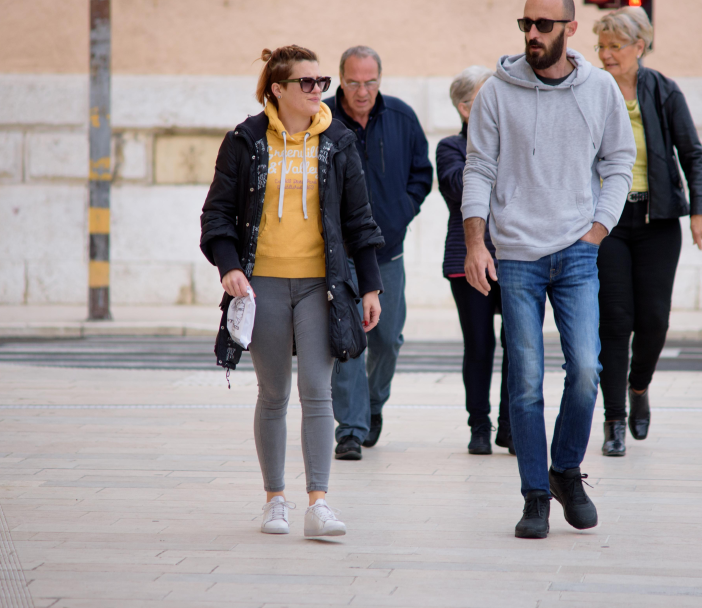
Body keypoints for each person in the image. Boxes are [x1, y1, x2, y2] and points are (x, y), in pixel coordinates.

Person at [463, 0, 636, 539]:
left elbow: (619, 160)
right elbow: (478, 168)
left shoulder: (600, 88)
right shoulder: (496, 93)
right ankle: (535, 493)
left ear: (570, 28)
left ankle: (565, 469)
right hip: (516, 254)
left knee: (586, 370)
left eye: (543, 25)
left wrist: (598, 228)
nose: (532, 34)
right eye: (526, 24)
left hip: (578, 252)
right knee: (526, 381)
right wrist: (476, 243)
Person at [199, 45, 385, 537]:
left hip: (322, 286)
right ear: (277, 89)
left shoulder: (338, 141)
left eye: (321, 81)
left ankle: (318, 504)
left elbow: (358, 219)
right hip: (261, 285)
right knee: (275, 393)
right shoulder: (245, 140)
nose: (317, 89)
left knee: (318, 392)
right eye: (306, 82)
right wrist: (229, 267)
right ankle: (275, 499)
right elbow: (217, 213)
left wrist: (370, 287)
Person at [592, 7, 702, 457]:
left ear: (639, 47)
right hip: (607, 222)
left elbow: (692, 153)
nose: (606, 55)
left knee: (654, 321)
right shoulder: (591, 90)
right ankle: (614, 420)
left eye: (615, 46)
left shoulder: (663, 90)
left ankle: (638, 386)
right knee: (614, 320)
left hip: (657, 219)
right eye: (601, 46)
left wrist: (700, 210)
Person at [324, 46, 434, 460]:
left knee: (387, 339)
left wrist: (401, 211)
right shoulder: (323, 119)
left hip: (387, 253)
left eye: (370, 82)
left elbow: (421, 174)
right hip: (340, 255)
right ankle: (350, 430)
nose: (362, 91)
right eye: (353, 82)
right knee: (348, 341)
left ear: (380, 80)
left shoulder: (402, 118)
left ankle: (372, 405)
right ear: (341, 79)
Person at [437, 66, 512, 456]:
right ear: (466, 108)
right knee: (480, 345)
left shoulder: (514, 138)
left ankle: (511, 426)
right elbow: (459, 186)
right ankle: (479, 425)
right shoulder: (450, 146)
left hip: (517, 255)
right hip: (466, 257)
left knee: (518, 345)